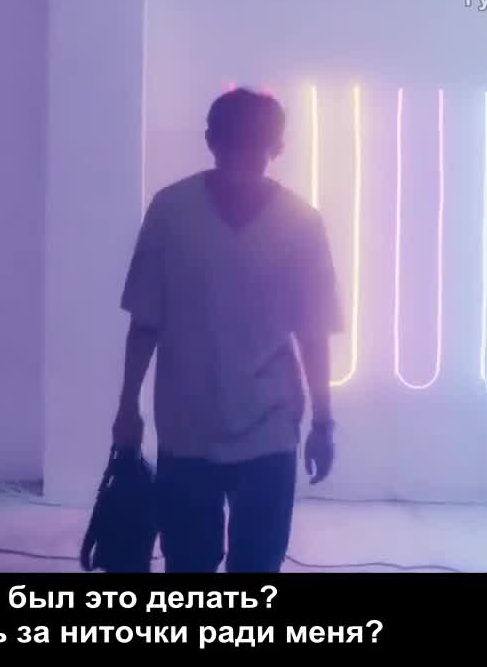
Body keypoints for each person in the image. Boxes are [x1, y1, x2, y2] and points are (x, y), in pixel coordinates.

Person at [112, 88, 342, 573]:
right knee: (248, 567)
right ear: (279, 146)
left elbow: (145, 322)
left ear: (209, 139)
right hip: (252, 430)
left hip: (197, 428)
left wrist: (128, 408)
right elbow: (313, 335)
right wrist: (323, 424)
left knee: (193, 567)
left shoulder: (172, 209)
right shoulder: (299, 221)